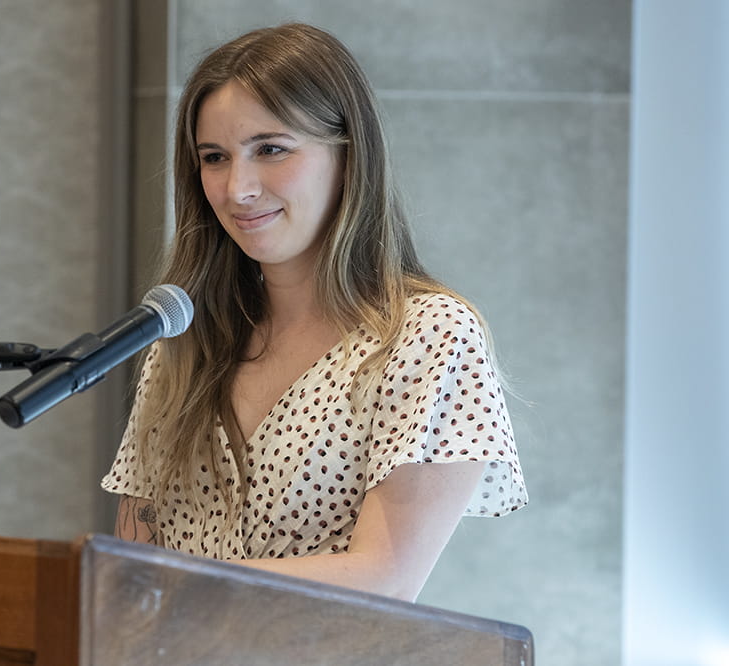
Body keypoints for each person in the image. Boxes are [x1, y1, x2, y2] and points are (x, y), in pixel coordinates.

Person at [101, 23, 527, 602]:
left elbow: (386, 578)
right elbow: (134, 561)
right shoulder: (184, 336)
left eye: (270, 149)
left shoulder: (427, 335)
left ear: (348, 156)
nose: (236, 188)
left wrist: (178, 590)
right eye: (215, 157)